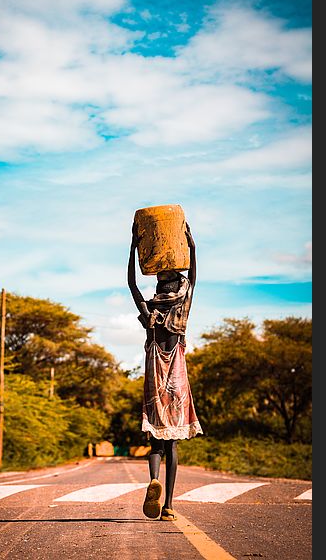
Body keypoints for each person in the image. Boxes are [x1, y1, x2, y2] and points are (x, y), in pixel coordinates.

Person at [128, 221, 203, 521]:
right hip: (177, 375)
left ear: (159, 286)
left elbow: (132, 284)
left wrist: (134, 247)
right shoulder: (182, 305)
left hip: (154, 372)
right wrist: (192, 245)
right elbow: (194, 279)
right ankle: (169, 505)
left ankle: (153, 479)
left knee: (155, 441)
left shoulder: (150, 311)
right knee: (172, 443)